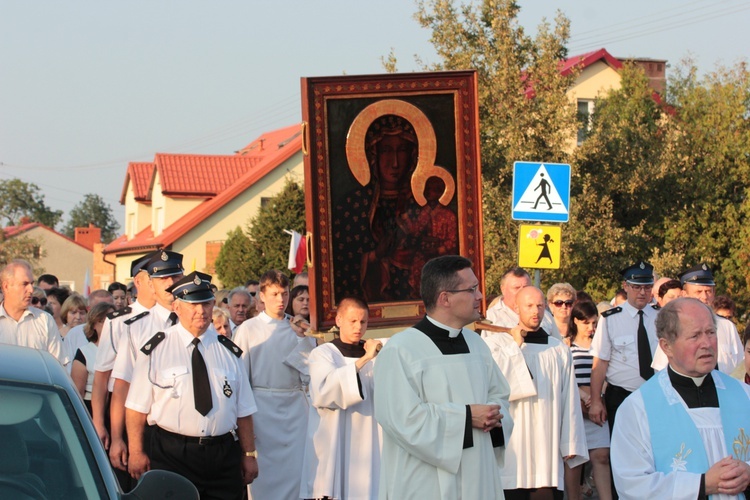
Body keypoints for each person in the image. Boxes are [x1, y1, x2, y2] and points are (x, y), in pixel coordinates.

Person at [374, 255, 513, 498]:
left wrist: (494, 414)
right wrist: (468, 417)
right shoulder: (402, 349)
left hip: (478, 476)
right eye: (472, 289)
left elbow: (499, 396)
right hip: (424, 482)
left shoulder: (477, 344)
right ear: (445, 298)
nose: (480, 296)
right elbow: (402, 420)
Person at [125, 271, 258, 498]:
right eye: (193, 305)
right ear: (177, 307)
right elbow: (136, 408)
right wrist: (136, 452)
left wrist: (248, 453)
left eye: (206, 304)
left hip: (222, 455)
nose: (201, 311)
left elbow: (243, 410)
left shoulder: (229, 351)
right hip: (172, 453)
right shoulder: (156, 350)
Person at [611, 298, 750, 499]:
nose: (706, 343)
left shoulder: (743, 395)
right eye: (695, 336)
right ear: (666, 346)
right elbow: (632, 484)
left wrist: (747, 471)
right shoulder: (638, 408)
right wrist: (701, 485)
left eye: (711, 332)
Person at [484, 286, 588, 499]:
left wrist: (570, 441)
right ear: (516, 308)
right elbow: (498, 389)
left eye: (540, 306)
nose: (535, 311)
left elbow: (569, 399)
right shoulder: (503, 348)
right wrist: (514, 347)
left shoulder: (558, 350)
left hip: (546, 439)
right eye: (529, 306)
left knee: (545, 487)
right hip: (514, 439)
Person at [233, 269, 316, 500]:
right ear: (262, 295)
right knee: (264, 479)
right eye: (275, 294)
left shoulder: (298, 326)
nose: (281, 300)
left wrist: (303, 338)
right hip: (262, 411)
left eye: (285, 294)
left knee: (298, 472)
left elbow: (311, 373)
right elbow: (241, 380)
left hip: (295, 409)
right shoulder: (247, 329)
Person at [108, 250, 184, 479]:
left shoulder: (203, 323)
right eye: (163, 279)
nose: (171, 284)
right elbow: (122, 386)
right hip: (153, 433)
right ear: (151, 285)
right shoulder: (138, 327)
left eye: (176, 277)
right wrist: (118, 438)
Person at [333, 114, 425, 302]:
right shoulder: (353, 206)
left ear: (413, 154)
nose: (395, 162)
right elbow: (342, 264)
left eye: (402, 151)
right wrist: (375, 255)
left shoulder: (421, 205)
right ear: (373, 155)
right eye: (386, 151)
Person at [300, 297, 383, 500]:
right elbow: (324, 392)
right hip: (333, 438)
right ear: (338, 320)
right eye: (352, 321)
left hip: (369, 439)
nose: (358, 327)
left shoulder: (375, 354)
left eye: (363, 322)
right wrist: (364, 359)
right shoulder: (324, 353)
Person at [90, 252, 157, 491]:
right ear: (138, 282)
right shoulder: (118, 321)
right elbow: (101, 377)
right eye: (153, 278)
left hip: (157, 419)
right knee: (127, 485)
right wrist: (100, 423)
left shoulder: (174, 318)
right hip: (123, 414)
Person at [589, 262, 659, 434]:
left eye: (647, 287)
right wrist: (596, 400)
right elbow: (600, 363)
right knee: (623, 451)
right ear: (625, 286)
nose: (642, 292)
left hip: (656, 394)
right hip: (622, 395)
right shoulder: (611, 319)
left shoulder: (662, 317)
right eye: (636, 287)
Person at [652, 264, 743, 375]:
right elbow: (661, 369)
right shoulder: (674, 324)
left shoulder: (727, 326)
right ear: (684, 294)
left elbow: (740, 367)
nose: (704, 297)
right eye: (698, 292)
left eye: (708, 291)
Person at [568, 300, 613, 500]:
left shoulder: (601, 346)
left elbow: (606, 372)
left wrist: (598, 396)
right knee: (575, 460)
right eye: (586, 323)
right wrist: (585, 396)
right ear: (576, 321)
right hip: (577, 408)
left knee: (602, 456)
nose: (591, 328)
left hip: (598, 405)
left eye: (594, 323)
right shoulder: (567, 347)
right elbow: (566, 377)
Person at [0, 259, 68, 365]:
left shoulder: (44, 320)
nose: (31, 289)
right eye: (25, 284)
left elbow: (58, 365)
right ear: (6, 286)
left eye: (32, 283)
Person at [484, 267, 562, 340]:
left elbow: (558, 346)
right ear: (503, 289)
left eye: (526, 287)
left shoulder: (545, 316)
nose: (522, 291)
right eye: (516, 288)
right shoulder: (491, 317)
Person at [72, 302, 115, 414]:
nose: (108, 324)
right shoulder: (85, 352)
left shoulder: (124, 350)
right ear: (94, 325)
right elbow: (78, 393)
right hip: (90, 408)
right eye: (102, 321)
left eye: (111, 319)